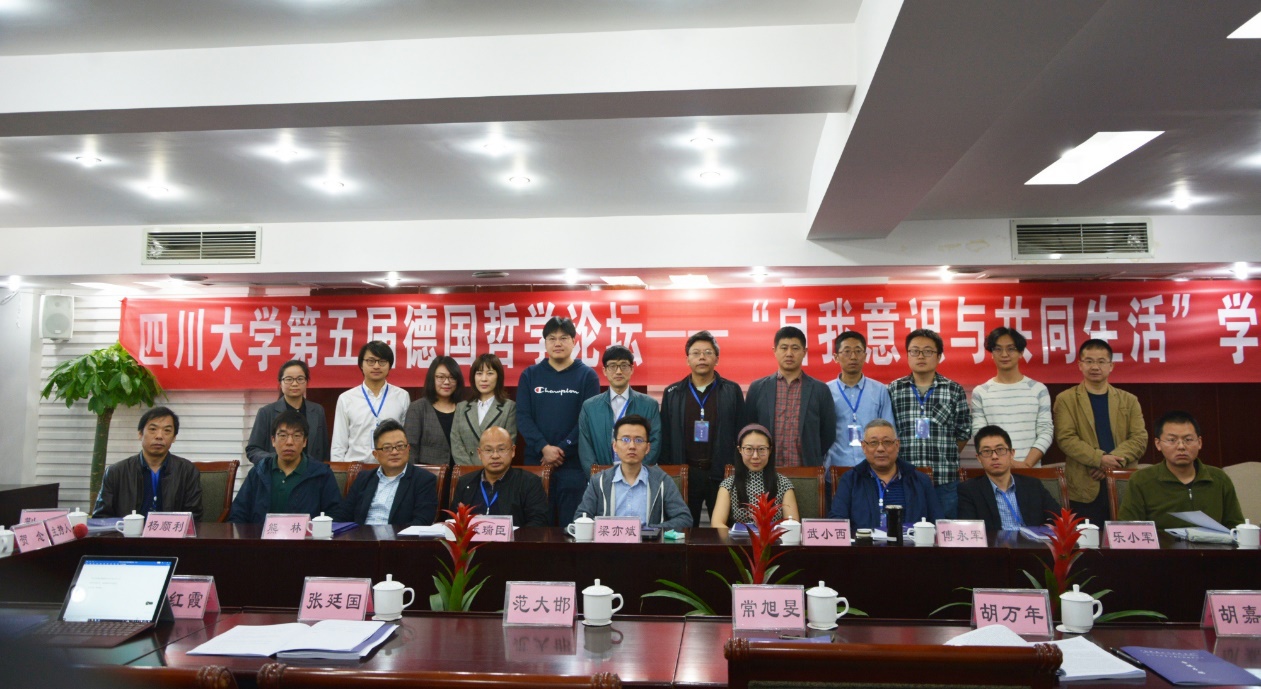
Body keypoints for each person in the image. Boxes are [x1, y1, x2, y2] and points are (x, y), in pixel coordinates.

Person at [515, 317, 600, 525]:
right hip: (537, 462)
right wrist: (543, 447)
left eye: (564, 338)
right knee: (535, 526)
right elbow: (523, 417)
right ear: (545, 343)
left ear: (574, 341)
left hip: (573, 465)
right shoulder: (530, 375)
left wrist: (562, 449)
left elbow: (587, 419)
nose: (558, 343)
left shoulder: (587, 376)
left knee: (571, 527)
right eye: (552, 338)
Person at [1053, 339, 1147, 524]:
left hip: (1123, 482)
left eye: (1101, 361)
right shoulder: (1066, 399)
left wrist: (1110, 464)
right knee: (1087, 539)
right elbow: (1066, 438)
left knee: (1125, 537)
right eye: (1089, 361)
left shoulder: (1129, 400)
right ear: (1080, 365)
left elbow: (1139, 438)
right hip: (1084, 484)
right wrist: (1099, 459)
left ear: (1111, 366)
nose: (1095, 367)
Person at [660, 331, 745, 527]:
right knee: (683, 529)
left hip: (721, 472)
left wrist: (737, 470)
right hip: (685, 473)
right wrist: (670, 473)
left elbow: (741, 433)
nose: (702, 357)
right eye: (696, 353)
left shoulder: (732, 391)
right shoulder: (672, 393)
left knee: (723, 528)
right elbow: (665, 438)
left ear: (717, 359)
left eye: (708, 352)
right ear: (687, 359)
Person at [887, 328, 971, 518]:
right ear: (907, 355)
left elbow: (963, 432)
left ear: (939, 356)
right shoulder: (894, 389)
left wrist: (943, 456)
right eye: (914, 351)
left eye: (928, 351)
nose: (921, 356)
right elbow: (889, 432)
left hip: (944, 480)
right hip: (905, 478)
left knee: (944, 532)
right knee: (906, 531)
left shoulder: (953, 390)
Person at [1118, 411, 1244, 530]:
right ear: (1158, 444)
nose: (1181, 446)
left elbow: (1236, 527)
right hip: (1163, 546)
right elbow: (1128, 529)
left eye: (1188, 440)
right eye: (1172, 440)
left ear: (1199, 442)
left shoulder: (1219, 479)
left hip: (1213, 546)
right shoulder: (1141, 480)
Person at [573, 414, 691, 530]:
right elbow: (580, 518)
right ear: (615, 446)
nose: (632, 446)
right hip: (610, 542)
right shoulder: (599, 481)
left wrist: (648, 530)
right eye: (625, 439)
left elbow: (684, 519)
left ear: (647, 448)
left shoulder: (662, 480)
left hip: (648, 541)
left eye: (639, 440)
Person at [743, 326, 836, 467]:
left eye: (795, 348)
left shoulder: (820, 390)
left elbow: (828, 433)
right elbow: (749, 428)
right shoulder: (757, 388)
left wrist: (812, 454)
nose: (789, 353)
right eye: (784, 348)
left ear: (804, 352)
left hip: (807, 470)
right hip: (766, 469)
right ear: (774, 351)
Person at [92, 406, 203, 521]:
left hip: (171, 532)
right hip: (127, 532)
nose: (159, 436)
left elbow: (194, 516)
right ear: (140, 434)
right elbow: (101, 518)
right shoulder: (115, 473)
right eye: (153, 429)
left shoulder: (187, 471)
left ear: (174, 437)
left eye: (167, 431)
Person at [229, 409, 341, 522]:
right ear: (273, 440)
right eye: (283, 435)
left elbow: (336, 516)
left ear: (304, 442)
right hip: (261, 533)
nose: (289, 442)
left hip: (307, 533)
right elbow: (238, 515)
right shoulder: (258, 472)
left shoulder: (321, 474)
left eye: (296, 436)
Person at [829, 419, 942, 531]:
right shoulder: (850, 480)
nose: (880, 449)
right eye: (873, 443)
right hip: (865, 542)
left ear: (897, 445)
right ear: (864, 447)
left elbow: (938, 523)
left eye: (887, 442)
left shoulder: (920, 480)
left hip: (911, 542)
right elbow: (837, 522)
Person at [970, 328, 1052, 468]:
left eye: (1011, 349)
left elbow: (1046, 431)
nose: (1004, 354)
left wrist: (1026, 465)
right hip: (995, 470)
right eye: (998, 349)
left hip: (1031, 470)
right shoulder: (981, 392)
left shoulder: (1038, 389)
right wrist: (1006, 464)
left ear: (1021, 352)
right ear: (991, 353)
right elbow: (980, 434)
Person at [334, 420, 438, 526]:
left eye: (400, 446)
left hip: (398, 536)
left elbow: (422, 521)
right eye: (387, 448)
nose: (395, 452)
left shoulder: (424, 480)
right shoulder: (363, 479)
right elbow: (343, 515)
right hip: (362, 534)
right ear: (375, 454)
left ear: (408, 449)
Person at [577, 344, 661, 474]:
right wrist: (598, 478)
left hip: (639, 478)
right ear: (604, 371)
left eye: (624, 365)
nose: (618, 371)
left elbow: (654, 443)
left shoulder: (649, 404)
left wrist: (635, 475)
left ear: (632, 369)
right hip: (602, 477)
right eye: (612, 366)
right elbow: (585, 448)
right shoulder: (589, 407)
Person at [958, 425, 1059, 531]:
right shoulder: (969, 490)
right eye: (987, 451)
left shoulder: (1033, 485)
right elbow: (969, 531)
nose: (994, 456)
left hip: (1032, 540)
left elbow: (1058, 518)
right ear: (979, 458)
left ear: (1012, 453)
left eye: (1000, 449)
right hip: (995, 542)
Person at [825, 331, 895, 473]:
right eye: (847, 351)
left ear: (865, 355)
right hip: (836, 467)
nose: (853, 357)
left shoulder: (879, 390)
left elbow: (889, 430)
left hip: (873, 468)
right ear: (836, 357)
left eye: (858, 351)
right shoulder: (826, 391)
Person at [452, 426, 549, 527]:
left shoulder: (529, 482)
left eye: (501, 449)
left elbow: (538, 523)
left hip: (514, 537)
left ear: (513, 451)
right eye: (488, 450)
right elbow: (453, 522)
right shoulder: (465, 482)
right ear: (479, 453)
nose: (495, 456)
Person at [330, 341, 410, 463]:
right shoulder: (346, 398)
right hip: (356, 467)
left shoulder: (402, 396)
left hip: (391, 467)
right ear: (361, 364)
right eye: (371, 361)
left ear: (389, 365)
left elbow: (406, 438)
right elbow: (339, 443)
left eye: (382, 361)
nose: (376, 366)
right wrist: (338, 471)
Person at [710, 423, 800, 527]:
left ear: (770, 450)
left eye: (761, 449)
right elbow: (717, 523)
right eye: (749, 449)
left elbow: (793, 525)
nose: (755, 456)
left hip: (774, 537)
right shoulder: (728, 485)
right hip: (738, 537)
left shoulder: (784, 484)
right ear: (740, 450)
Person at [246, 359, 329, 465]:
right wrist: (277, 460)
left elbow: (324, 449)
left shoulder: (317, 411)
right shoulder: (266, 412)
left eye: (300, 379)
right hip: (277, 471)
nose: (294, 383)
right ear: (280, 383)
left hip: (311, 472)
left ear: (306, 382)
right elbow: (253, 450)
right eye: (289, 379)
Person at [449, 353, 517, 466]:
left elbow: (507, 446)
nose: (484, 379)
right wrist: (471, 471)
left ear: (498, 377)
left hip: (496, 469)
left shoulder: (509, 407)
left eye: (490, 373)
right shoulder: (462, 407)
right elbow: (456, 444)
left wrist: (488, 470)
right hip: (466, 471)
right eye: (479, 373)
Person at [404, 356, 465, 466]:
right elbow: (410, 449)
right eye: (441, 377)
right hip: (427, 474)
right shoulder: (418, 408)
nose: (447, 382)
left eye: (452, 377)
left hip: (461, 472)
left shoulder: (465, 408)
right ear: (432, 379)